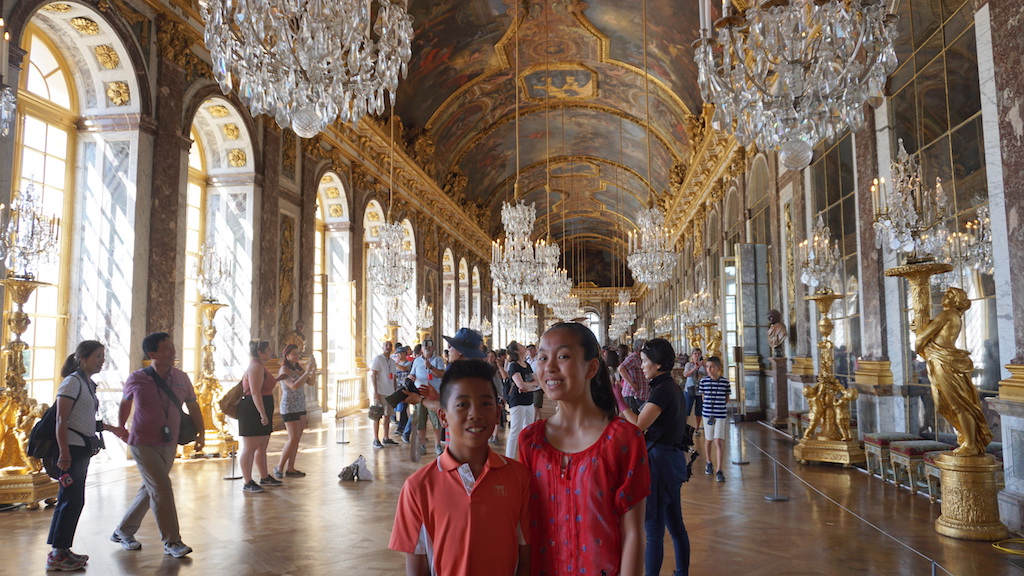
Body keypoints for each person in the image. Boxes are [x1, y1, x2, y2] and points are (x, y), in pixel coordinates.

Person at [519, 322, 649, 575]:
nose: (550, 367)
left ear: (591, 367)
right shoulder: (530, 441)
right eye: (542, 357)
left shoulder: (624, 439)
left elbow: (633, 532)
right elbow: (522, 527)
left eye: (563, 356)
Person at [389, 359, 531, 576]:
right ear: (443, 416)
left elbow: (525, 560)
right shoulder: (418, 488)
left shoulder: (519, 478)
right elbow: (417, 568)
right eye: (463, 404)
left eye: (485, 404)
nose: (475, 414)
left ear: (497, 413)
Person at [111, 332, 204, 558]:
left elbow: (193, 407)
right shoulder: (137, 378)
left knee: (151, 488)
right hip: (142, 443)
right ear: (152, 354)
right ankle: (172, 541)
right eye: (166, 348)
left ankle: (123, 531)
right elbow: (125, 403)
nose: (172, 351)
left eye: (172, 347)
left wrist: (201, 433)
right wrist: (121, 427)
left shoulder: (182, 378)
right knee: (162, 488)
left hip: (169, 443)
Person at [46, 341, 126, 571]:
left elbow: (85, 420)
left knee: (70, 500)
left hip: (79, 448)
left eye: (103, 356)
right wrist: (64, 453)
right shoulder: (72, 383)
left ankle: (60, 550)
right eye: (97, 356)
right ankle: (57, 555)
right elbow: (61, 421)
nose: (102, 360)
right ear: (82, 358)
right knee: (71, 500)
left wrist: (111, 429)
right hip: (70, 450)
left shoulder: (87, 384)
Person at [622, 338, 690, 576]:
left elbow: (638, 426)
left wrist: (620, 403)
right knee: (676, 527)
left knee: (653, 533)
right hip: (672, 461)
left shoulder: (662, 391)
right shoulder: (671, 387)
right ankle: (682, 573)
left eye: (644, 361)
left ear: (658, 364)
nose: (641, 366)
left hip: (659, 465)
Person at [916, 287, 994, 456]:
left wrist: (919, 338)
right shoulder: (953, 316)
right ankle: (966, 438)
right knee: (946, 405)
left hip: (945, 362)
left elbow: (922, 339)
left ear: (955, 300)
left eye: (948, 295)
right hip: (941, 361)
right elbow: (933, 338)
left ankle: (971, 444)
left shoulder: (947, 314)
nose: (944, 296)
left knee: (959, 405)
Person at [238, 340, 282, 492]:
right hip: (253, 409)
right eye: (268, 350)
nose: (271, 352)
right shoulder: (256, 367)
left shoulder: (260, 366)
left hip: (261, 406)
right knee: (249, 447)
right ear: (260, 353)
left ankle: (264, 477)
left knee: (262, 446)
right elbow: (255, 392)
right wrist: (262, 413)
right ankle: (248, 481)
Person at [274, 343, 317, 479]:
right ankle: (279, 467)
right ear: (287, 356)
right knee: (292, 439)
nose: (298, 356)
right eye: (294, 353)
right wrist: (307, 371)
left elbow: (310, 382)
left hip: (300, 405)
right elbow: (294, 385)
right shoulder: (284, 370)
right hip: (289, 406)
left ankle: (291, 468)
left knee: (297, 439)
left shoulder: (298, 368)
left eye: (298, 353)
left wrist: (313, 370)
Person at [406, 341, 445, 454]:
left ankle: (437, 445)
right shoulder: (417, 360)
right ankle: (422, 444)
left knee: (436, 420)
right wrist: (411, 376)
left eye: (429, 346)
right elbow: (412, 373)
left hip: (434, 395)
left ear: (433, 348)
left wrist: (431, 367)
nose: (427, 348)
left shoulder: (438, 360)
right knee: (421, 421)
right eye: (425, 346)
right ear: (421, 349)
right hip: (419, 395)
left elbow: (442, 374)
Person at [504, 341, 538, 459]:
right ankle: (509, 458)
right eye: (520, 345)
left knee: (528, 429)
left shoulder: (527, 365)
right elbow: (520, 385)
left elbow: (536, 382)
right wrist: (529, 386)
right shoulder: (514, 365)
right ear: (517, 351)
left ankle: (526, 455)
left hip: (529, 400)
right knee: (515, 430)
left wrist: (527, 386)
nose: (524, 346)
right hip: (517, 401)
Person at [698, 356, 730, 482]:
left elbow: (727, 398)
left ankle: (719, 470)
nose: (709, 369)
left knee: (718, 441)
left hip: (720, 414)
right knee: (709, 440)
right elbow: (703, 398)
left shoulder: (725, 382)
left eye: (711, 367)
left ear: (718, 368)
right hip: (707, 414)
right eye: (707, 367)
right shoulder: (704, 382)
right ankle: (708, 462)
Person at [370, 340, 399, 449]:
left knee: (388, 415)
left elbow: (394, 378)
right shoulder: (378, 359)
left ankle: (386, 438)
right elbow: (373, 375)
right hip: (381, 392)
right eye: (386, 345)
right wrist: (375, 392)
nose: (388, 347)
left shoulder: (392, 361)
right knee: (377, 415)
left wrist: (395, 391)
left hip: (390, 392)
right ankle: (376, 439)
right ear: (382, 347)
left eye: (390, 345)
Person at [618, 338, 650, 414]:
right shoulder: (633, 357)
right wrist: (631, 384)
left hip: (640, 395)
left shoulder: (640, 358)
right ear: (639, 347)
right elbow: (621, 368)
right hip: (633, 395)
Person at [682, 348, 705, 428]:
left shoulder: (704, 365)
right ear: (692, 355)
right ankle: (683, 427)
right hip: (690, 389)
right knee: (687, 408)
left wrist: (703, 365)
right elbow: (686, 374)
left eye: (699, 353)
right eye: (695, 353)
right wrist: (695, 367)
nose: (697, 355)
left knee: (699, 410)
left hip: (700, 389)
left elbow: (708, 374)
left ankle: (697, 427)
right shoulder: (689, 364)